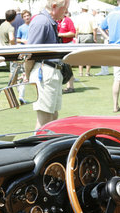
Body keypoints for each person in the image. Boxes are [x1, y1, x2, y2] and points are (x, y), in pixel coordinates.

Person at [25, 0, 70, 129]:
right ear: (54, 7)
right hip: (45, 73)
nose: (66, 12)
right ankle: (36, 148)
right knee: (45, 120)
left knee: (52, 117)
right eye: (65, 8)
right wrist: (27, 75)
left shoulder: (48, 22)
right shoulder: (41, 22)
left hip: (51, 72)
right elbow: (29, 54)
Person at [75, 5, 97, 77]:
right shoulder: (91, 17)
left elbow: (77, 29)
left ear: (82, 9)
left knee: (80, 54)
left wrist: (76, 37)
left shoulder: (78, 17)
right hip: (89, 35)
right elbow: (94, 29)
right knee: (89, 55)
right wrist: (95, 38)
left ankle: (80, 72)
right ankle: (87, 72)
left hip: (81, 36)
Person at [58, 11, 76, 93]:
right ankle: (61, 86)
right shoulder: (57, 21)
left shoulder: (68, 20)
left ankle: (70, 86)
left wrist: (61, 35)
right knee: (61, 66)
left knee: (67, 66)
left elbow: (73, 33)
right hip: (59, 45)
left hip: (67, 45)